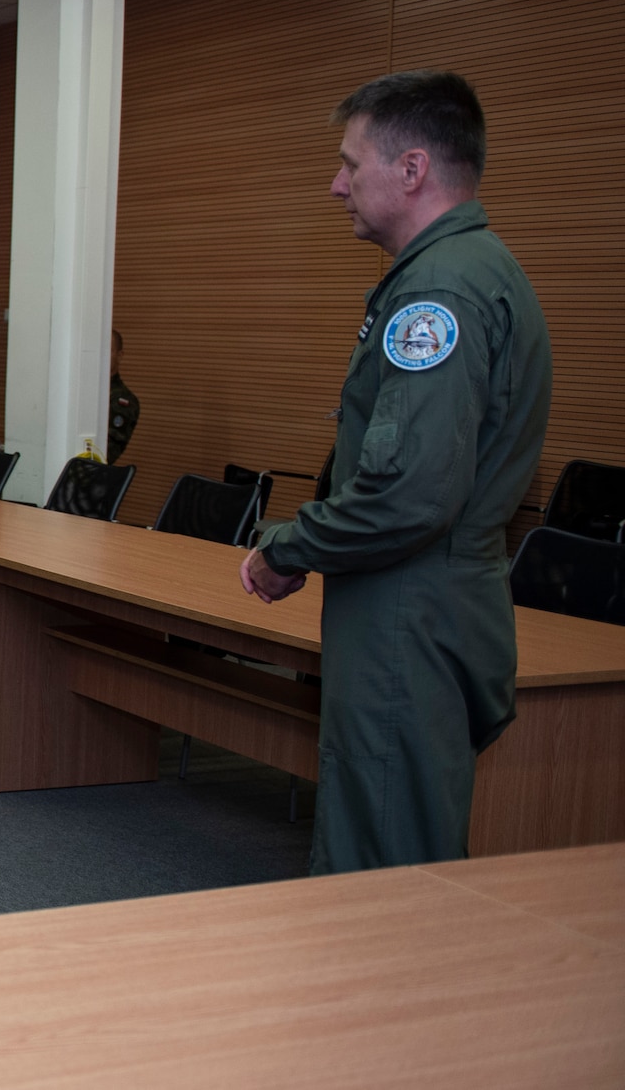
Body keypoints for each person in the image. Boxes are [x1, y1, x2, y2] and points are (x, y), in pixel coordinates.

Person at [239, 71, 552, 875]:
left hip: (407, 606)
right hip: (424, 599)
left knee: (382, 860)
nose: (335, 184)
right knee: (401, 834)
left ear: (411, 170)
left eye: (350, 164)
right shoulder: (470, 270)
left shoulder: (440, 291)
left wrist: (287, 546)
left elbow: (406, 494)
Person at [107, 329, 139, 462]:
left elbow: (107, 452)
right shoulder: (81, 388)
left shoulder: (122, 399)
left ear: (119, 356)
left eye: (108, 350)